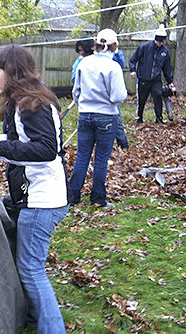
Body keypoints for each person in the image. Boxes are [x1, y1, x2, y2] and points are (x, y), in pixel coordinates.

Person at [0, 44, 72, 334]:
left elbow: (46, 149)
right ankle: (34, 316)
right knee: (29, 265)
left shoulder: (30, 104)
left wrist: (1, 149)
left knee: (32, 269)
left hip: (42, 201)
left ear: (11, 70)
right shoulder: (26, 99)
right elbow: (26, 141)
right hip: (36, 197)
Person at [69, 29, 128, 208]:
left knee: (82, 156)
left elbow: (76, 91)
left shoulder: (83, 63)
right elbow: (118, 96)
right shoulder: (113, 67)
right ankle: (98, 198)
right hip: (106, 117)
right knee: (101, 159)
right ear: (113, 45)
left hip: (85, 115)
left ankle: (72, 196)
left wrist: (84, 106)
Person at [129, 24, 174, 124]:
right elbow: (133, 60)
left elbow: (167, 68)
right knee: (142, 99)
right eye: (159, 41)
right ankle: (139, 117)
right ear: (156, 39)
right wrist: (133, 70)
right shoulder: (145, 47)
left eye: (163, 41)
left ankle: (159, 118)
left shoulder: (165, 51)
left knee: (158, 96)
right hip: (143, 79)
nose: (161, 43)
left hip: (156, 80)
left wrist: (170, 81)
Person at [100, 29, 129, 150]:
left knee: (116, 120)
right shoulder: (94, 58)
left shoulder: (115, 57)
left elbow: (121, 63)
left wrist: (116, 51)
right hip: (99, 95)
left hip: (111, 94)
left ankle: (123, 144)